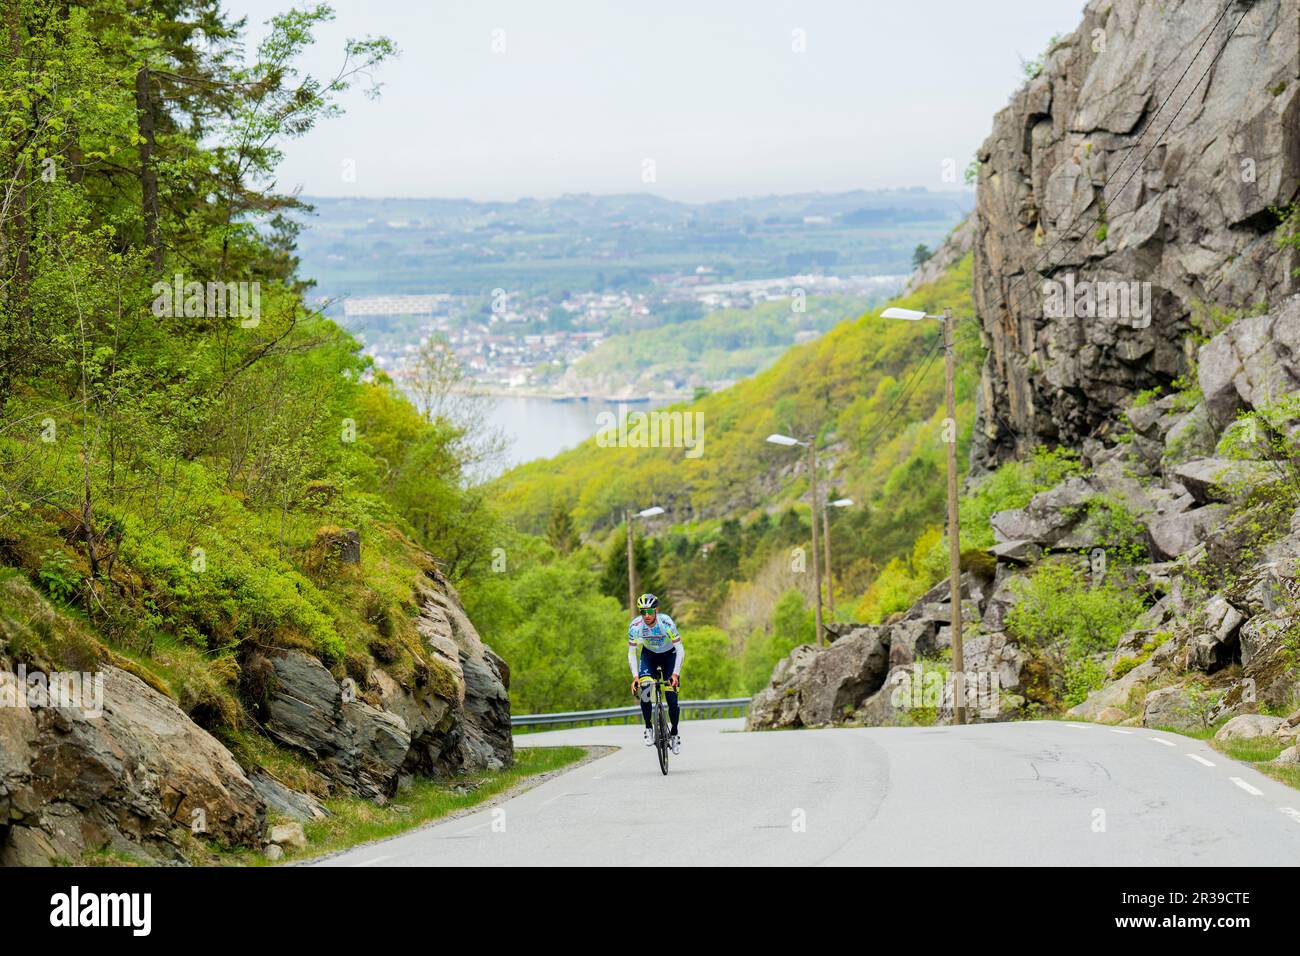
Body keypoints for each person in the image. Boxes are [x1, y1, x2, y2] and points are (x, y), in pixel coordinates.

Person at [627, 593, 683, 753]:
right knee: (645, 690)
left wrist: (675, 674)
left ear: (656, 610)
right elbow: (632, 652)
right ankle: (648, 727)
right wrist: (635, 677)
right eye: (642, 612)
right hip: (649, 656)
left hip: (669, 656)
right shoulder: (635, 627)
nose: (646, 616)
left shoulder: (666, 623)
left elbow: (680, 649)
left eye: (650, 611)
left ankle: (674, 733)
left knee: (672, 698)